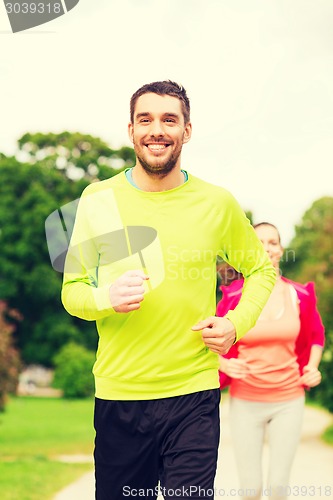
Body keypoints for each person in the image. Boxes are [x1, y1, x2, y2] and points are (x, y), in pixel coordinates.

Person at [61, 80, 276, 500]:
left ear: (187, 130)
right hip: (120, 395)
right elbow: (73, 292)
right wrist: (107, 298)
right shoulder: (96, 199)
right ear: (131, 130)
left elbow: (260, 271)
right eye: (146, 119)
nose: (156, 129)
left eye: (169, 120)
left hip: (192, 393)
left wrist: (234, 325)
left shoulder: (217, 203)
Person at [217, 222, 325, 500]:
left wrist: (312, 366)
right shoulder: (233, 296)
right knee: (250, 488)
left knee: (278, 488)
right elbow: (209, 338)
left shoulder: (298, 295)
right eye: (259, 242)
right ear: (248, 249)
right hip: (245, 401)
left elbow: (315, 334)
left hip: (289, 400)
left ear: (281, 249)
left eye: (273, 242)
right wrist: (223, 365)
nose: (267, 247)